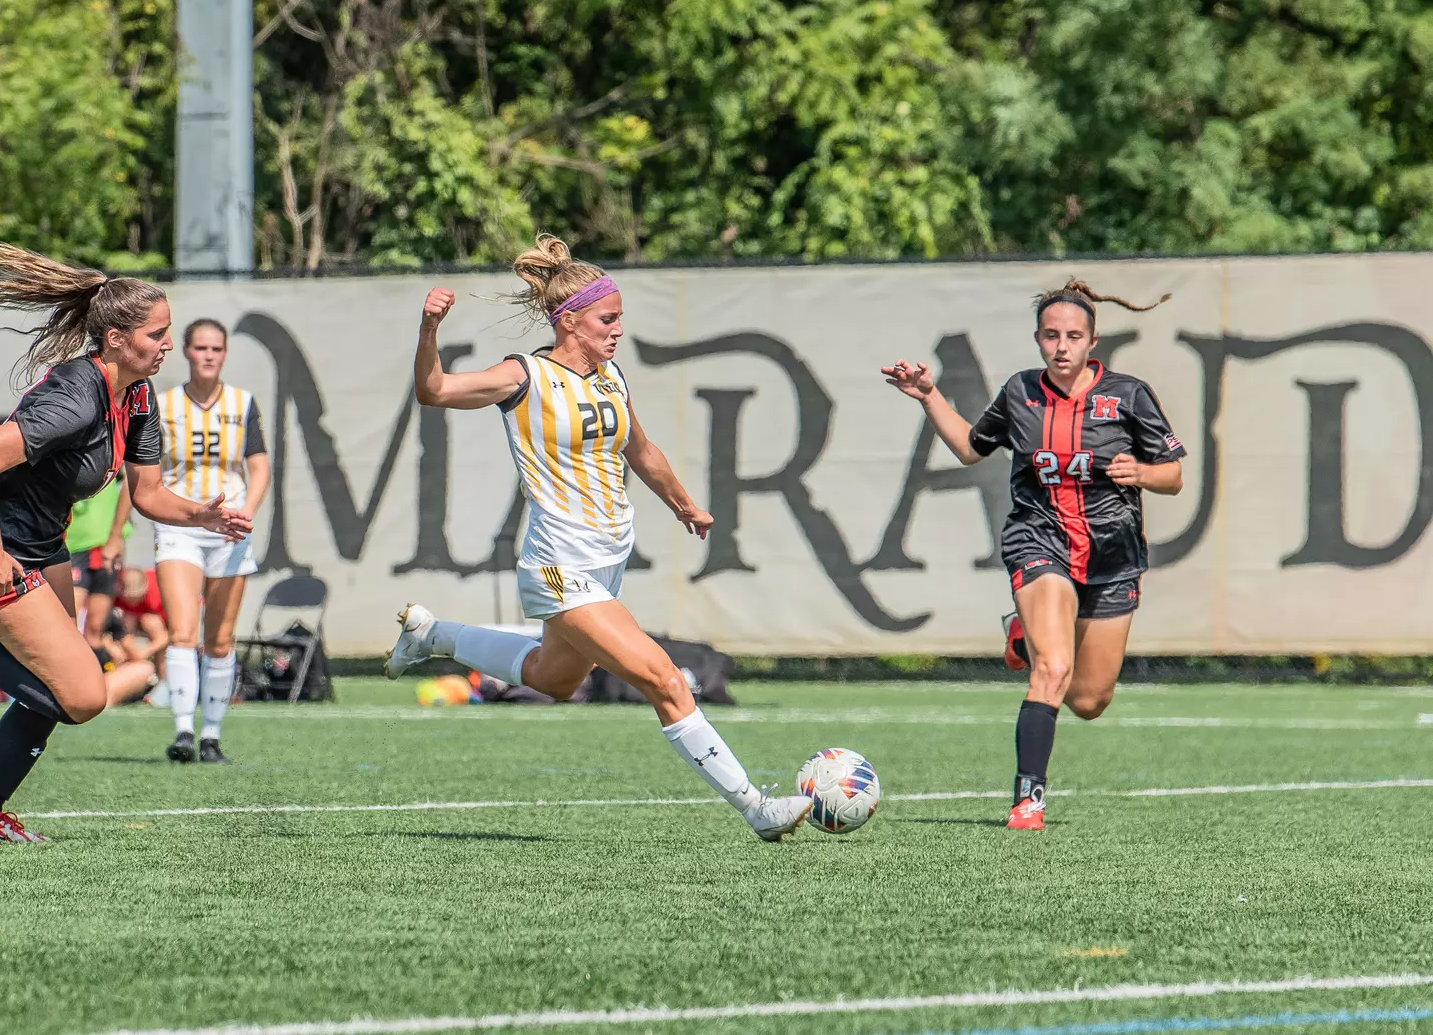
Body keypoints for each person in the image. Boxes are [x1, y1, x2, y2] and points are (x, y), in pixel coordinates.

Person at [384, 234, 813, 842]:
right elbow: (435, 391)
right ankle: (756, 809)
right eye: (607, 320)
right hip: (558, 565)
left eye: (619, 319)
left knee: (555, 680)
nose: (617, 331)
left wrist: (684, 504)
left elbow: (641, 449)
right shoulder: (524, 375)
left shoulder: (610, 377)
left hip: (607, 563)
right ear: (570, 320)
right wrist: (429, 330)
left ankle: (433, 634)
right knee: (662, 678)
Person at [0, 244, 251, 843]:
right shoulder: (75, 398)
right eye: (157, 335)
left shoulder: (135, 397)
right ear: (113, 338)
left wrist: (202, 516)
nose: (168, 346)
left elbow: (152, 494)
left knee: (54, 686)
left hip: (41, 546)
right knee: (82, 699)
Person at [883, 278, 1186, 831]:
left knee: (1090, 700)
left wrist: (1143, 473)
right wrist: (929, 396)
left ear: (1093, 341)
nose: (1061, 346)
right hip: (1038, 538)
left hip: (1112, 556)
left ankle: (1023, 631)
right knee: (1053, 668)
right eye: (1051, 336)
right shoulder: (1021, 392)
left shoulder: (1130, 395)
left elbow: (1173, 476)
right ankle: (1028, 800)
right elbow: (972, 449)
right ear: (1038, 340)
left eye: (1073, 335)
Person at [153, 318, 269, 764]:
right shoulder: (162, 405)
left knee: (220, 638)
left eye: (216, 349)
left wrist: (247, 512)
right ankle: (183, 731)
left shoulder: (242, 403)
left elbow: (259, 467)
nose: (208, 355)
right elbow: (140, 475)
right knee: (182, 631)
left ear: (224, 354)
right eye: (200, 347)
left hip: (229, 528)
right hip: (180, 525)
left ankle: (212, 736)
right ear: (185, 351)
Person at [66, 469, 132, 652]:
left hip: (104, 543)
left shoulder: (111, 443)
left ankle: (92, 677)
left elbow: (133, 479)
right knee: (68, 622)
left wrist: (116, 535)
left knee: (95, 628)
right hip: (71, 544)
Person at [104, 567, 169, 688]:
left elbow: (173, 633)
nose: (132, 603)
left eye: (136, 598)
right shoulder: (114, 591)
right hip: (130, 622)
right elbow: (96, 624)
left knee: (152, 623)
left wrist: (147, 650)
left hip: (159, 626)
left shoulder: (159, 593)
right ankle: (122, 671)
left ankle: (163, 682)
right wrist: (111, 646)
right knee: (127, 618)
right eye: (128, 598)